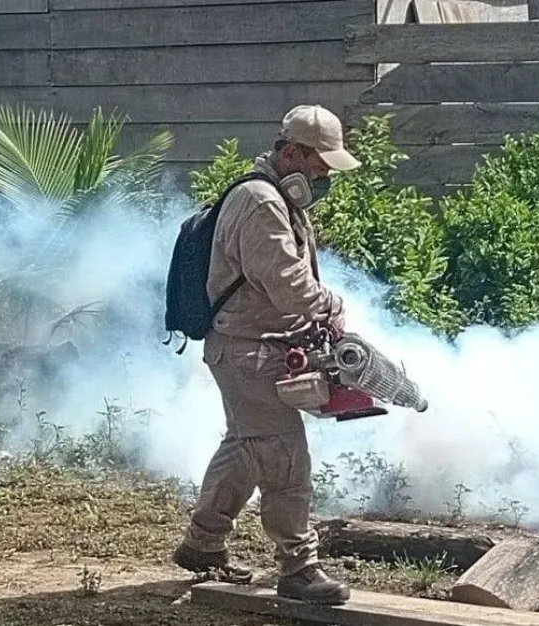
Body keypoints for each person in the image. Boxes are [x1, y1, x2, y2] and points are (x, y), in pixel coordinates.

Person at [172, 104, 359, 604]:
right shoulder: (261, 203)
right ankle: (299, 568)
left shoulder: (275, 199)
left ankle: (201, 545)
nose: (323, 176)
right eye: (319, 165)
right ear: (292, 152)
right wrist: (331, 306)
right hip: (248, 351)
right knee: (284, 454)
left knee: (247, 448)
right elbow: (290, 287)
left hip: (248, 346)